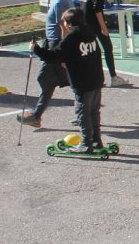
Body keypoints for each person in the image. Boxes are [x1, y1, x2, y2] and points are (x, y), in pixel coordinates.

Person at [31, 8, 104, 152]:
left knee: (82, 112)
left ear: (69, 23)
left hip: (82, 81)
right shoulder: (89, 32)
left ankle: (86, 143)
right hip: (96, 78)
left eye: (64, 21)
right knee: (94, 112)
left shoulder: (73, 36)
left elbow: (56, 56)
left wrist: (36, 49)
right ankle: (96, 139)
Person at [17, 0, 74, 127]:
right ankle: (84, 110)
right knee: (65, 80)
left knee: (47, 79)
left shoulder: (60, 3)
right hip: (54, 43)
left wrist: (63, 55)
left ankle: (37, 116)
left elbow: (65, 29)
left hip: (55, 45)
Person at [82, 0, 123, 87]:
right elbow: (97, 9)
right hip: (94, 21)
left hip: (84, 20)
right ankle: (113, 77)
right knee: (107, 48)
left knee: (92, 51)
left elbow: (83, 0)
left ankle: (95, 79)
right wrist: (103, 26)